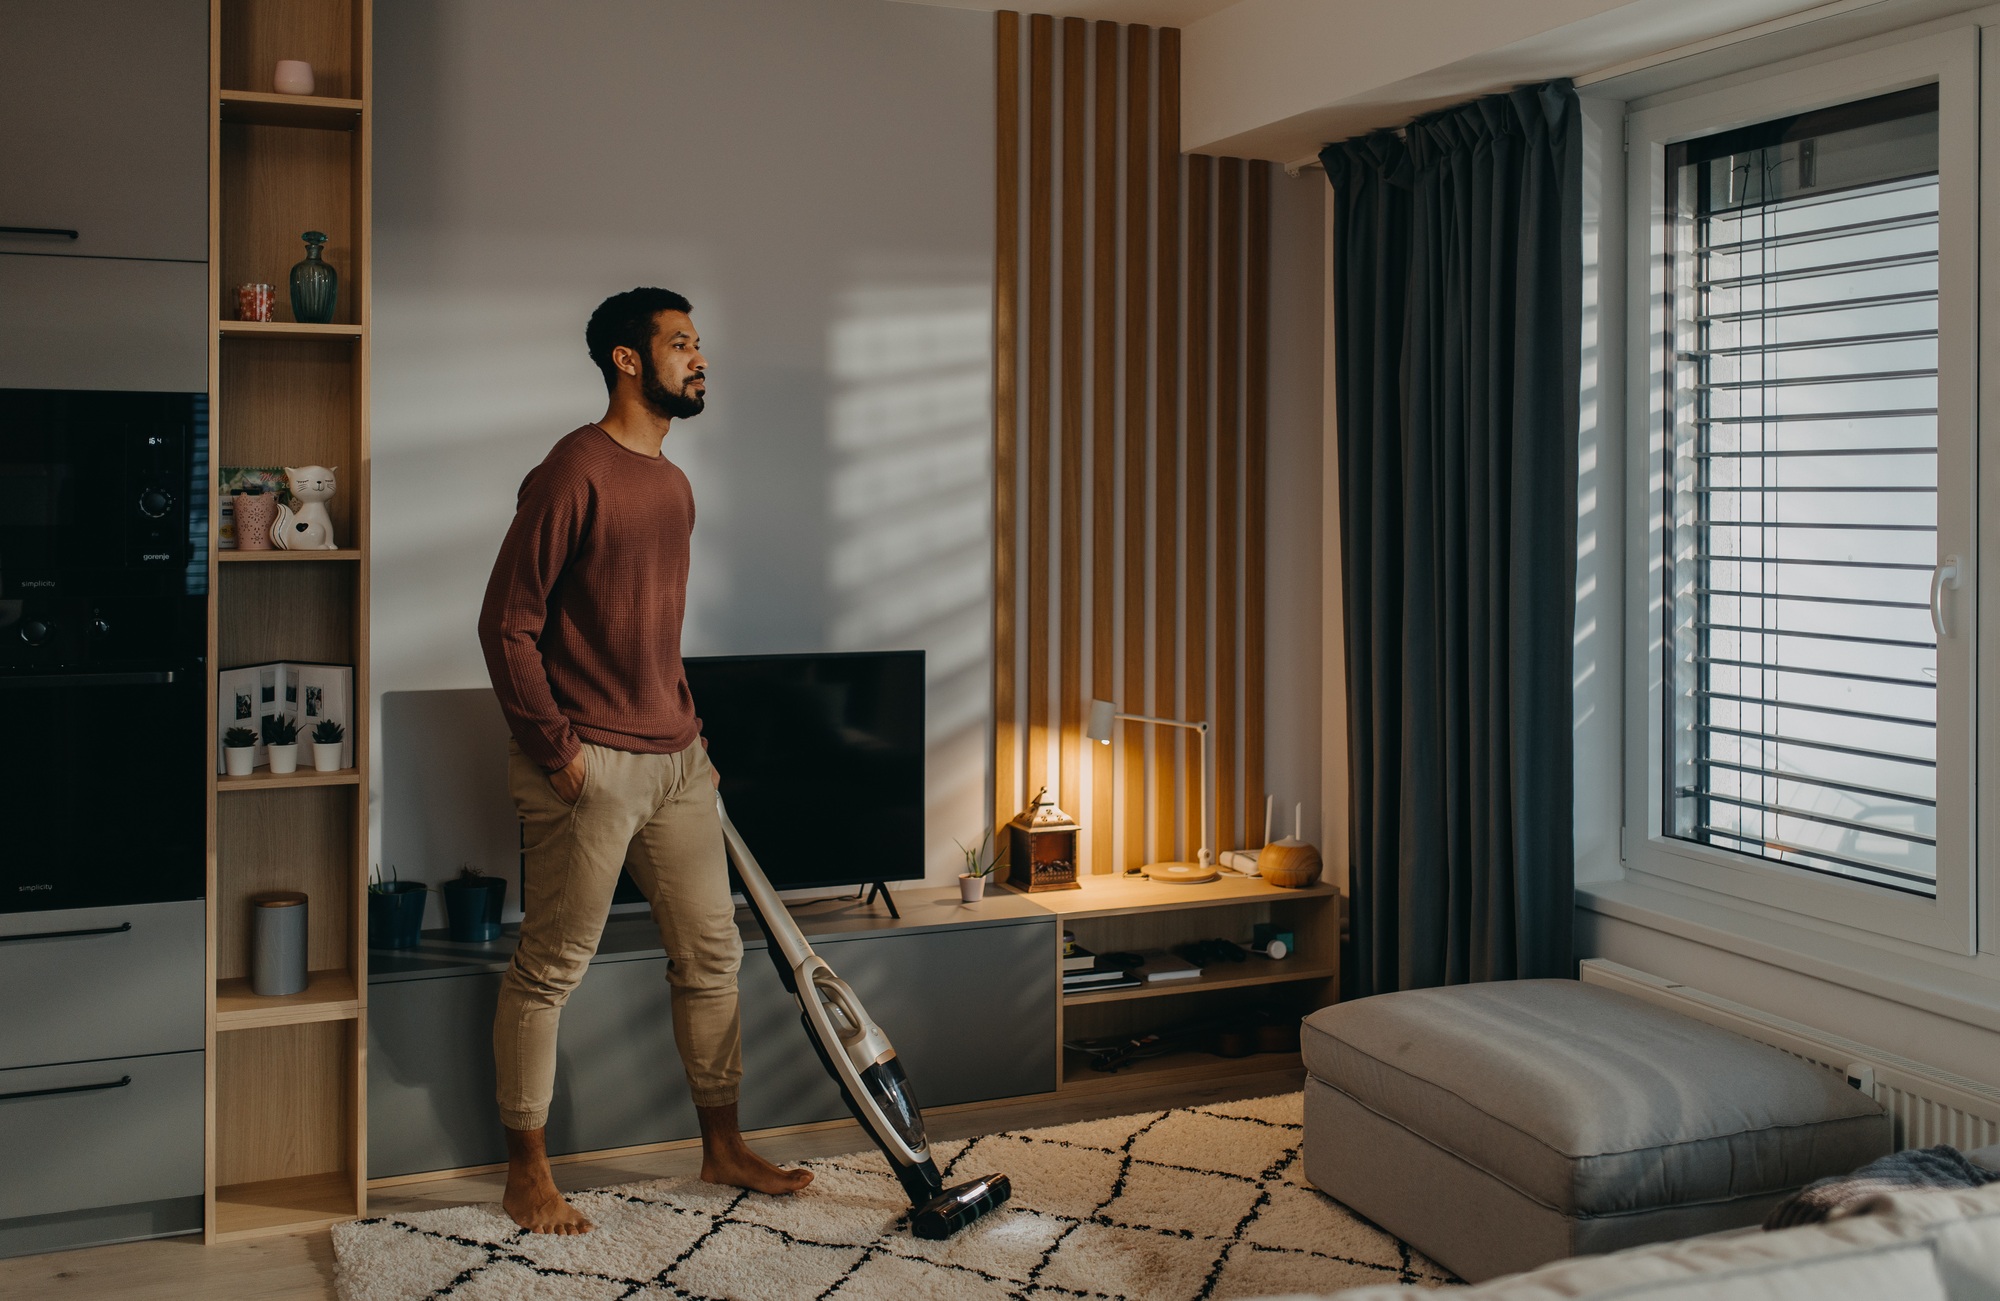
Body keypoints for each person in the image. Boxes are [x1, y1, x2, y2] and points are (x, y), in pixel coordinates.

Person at [477, 287, 813, 1236]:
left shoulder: (673, 484)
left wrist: (689, 733)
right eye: (679, 344)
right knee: (551, 968)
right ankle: (526, 1173)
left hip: (676, 761)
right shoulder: (572, 469)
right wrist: (562, 753)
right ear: (628, 360)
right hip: (588, 765)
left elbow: (649, 631)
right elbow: (506, 623)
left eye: (699, 344)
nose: (698, 359)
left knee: (713, 958)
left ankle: (723, 1146)